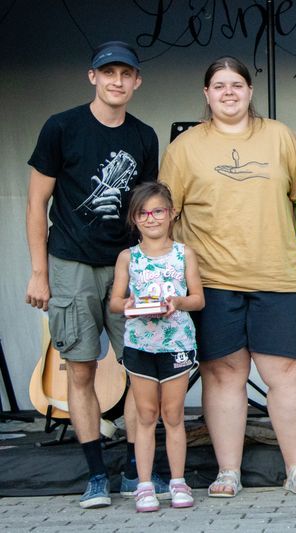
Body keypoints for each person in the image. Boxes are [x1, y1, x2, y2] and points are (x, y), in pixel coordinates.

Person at [158, 56, 296, 497]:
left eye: (236, 85)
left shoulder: (281, 137)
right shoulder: (184, 148)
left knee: (289, 372)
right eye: (219, 85)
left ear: (250, 91)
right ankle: (227, 472)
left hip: (281, 277)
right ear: (206, 94)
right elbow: (166, 216)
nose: (228, 92)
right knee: (224, 374)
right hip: (212, 280)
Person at [24, 41, 165, 508]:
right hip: (71, 263)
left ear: (137, 81)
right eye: (108, 73)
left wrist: (157, 266)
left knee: (140, 368)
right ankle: (96, 476)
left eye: (125, 74)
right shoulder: (61, 127)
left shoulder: (144, 136)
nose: (117, 81)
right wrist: (39, 273)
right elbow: (36, 204)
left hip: (128, 265)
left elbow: (148, 209)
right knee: (81, 368)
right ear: (93, 77)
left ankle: (136, 471)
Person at [108, 182, 204, 512]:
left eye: (158, 211)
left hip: (176, 343)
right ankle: (144, 485)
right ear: (134, 218)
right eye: (143, 213)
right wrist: (129, 304)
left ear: (172, 213)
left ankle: (178, 481)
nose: (151, 219)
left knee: (173, 415)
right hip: (139, 345)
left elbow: (198, 299)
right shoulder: (128, 257)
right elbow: (115, 303)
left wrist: (177, 301)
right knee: (146, 415)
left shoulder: (184, 254)